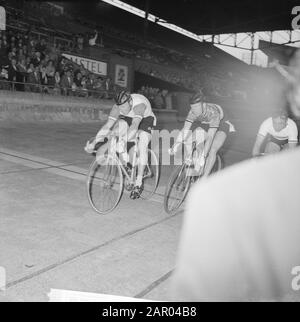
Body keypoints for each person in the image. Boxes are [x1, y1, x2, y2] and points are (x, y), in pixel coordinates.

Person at [172, 50, 300, 302]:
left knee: (210, 150)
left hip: (222, 128)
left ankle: (203, 177)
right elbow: (186, 132)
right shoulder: (195, 113)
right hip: (236, 132)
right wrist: (177, 148)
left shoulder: (215, 112)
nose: (196, 111)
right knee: (193, 140)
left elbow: (210, 141)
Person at [85, 90, 157, 199]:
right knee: (116, 131)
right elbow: (107, 126)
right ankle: (128, 162)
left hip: (146, 119)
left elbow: (135, 125)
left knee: (142, 142)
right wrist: (94, 142)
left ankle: (138, 183)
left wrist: (124, 140)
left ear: (130, 102)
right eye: (120, 107)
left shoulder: (139, 105)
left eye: (124, 107)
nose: (121, 109)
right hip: (129, 118)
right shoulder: (117, 107)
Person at [169, 93, 235, 176]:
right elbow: (185, 129)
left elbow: (210, 137)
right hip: (207, 123)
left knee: (212, 149)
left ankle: (204, 177)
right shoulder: (192, 112)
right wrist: (176, 144)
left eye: (197, 107)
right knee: (189, 141)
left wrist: (203, 156)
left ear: (203, 105)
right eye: (192, 107)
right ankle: (192, 170)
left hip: (222, 124)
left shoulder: (213, 112)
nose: (195, 110)